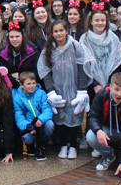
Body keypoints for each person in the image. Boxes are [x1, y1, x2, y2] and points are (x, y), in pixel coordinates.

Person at [37, 20, 90, 159]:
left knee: (73, 117)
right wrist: (50, 91)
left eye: (61, 30)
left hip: (73, 88)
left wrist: (82, 90)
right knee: (60, 118)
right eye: (56, 31)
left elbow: (82, 67)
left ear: (66, 31)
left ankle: (73, 145)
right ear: (52, 33)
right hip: (57, 89)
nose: (59, 33)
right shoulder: (48, 50)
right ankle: (63, 145)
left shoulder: (76, 46)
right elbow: (45, 71)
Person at [12, 71, 54, 161]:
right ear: (22, 85)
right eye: (29, 84)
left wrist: (41, 119)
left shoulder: (41, 93)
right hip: (29, 124)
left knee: (50, 125)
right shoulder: (17, 98)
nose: (32, 86)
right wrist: (28, 125)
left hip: (40, 122)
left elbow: (47, 110)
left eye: (34, 83)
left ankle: (41, 146)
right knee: (27, 137)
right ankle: (30, 145)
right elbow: (19, 116)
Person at [0, 21, 39, 89]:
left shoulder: (32, 51)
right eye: (12, 37)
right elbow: (1, 72)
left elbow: (36, 71)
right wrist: (14, 81)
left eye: (17, 36)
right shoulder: (2, 53)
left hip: (29, 86)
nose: (14, 39)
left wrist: (20, 77)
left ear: (22, 36)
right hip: (9, 87)